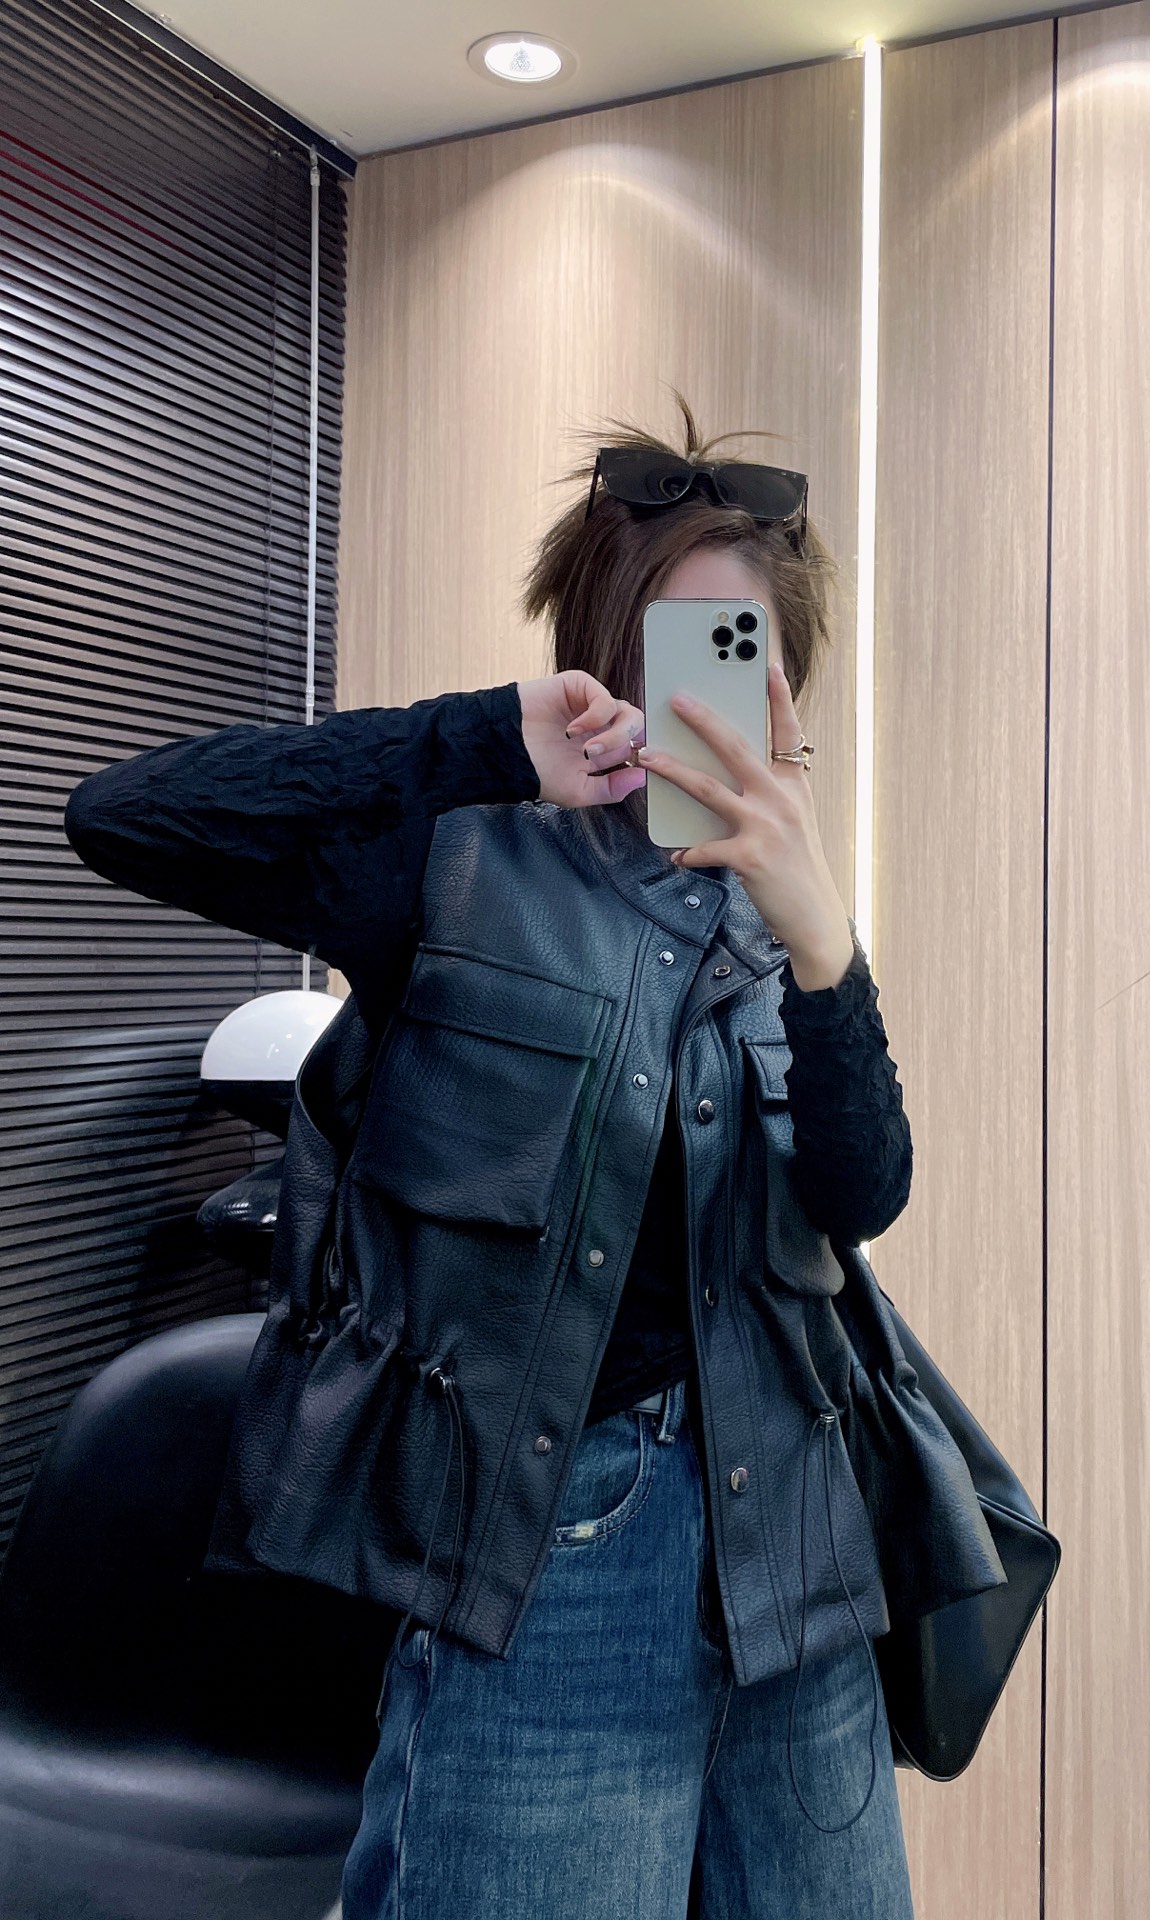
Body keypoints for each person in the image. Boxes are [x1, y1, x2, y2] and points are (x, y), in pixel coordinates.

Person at [63, 398, 918, 1918]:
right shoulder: (456, 866)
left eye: (736, 655)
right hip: (558, 1558)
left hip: (801, 1558)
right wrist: (480, 739)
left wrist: (825, 949)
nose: (702, 697)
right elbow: (128, 817)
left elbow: (864, 1199)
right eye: (666, 648)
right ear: (600, 651)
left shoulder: (783, 927)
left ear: (786, 682)